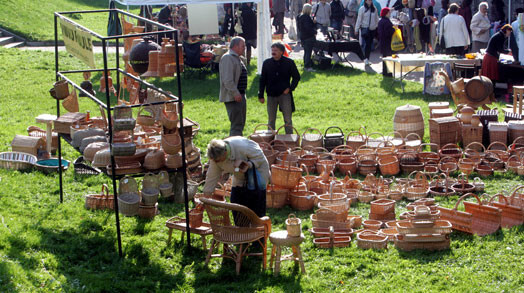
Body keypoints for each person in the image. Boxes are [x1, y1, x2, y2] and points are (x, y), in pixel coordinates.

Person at [203, 137, 270, 217]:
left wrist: (248, 164)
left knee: (255, 203)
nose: (217, 162)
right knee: (236, 200)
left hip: (258, 173)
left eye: (219, 160)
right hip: (239, 175)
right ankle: (241, 226)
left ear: (224, 153)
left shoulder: (243, 146)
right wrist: (206, 195)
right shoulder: (216, 158)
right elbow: (212, 176)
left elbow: (260, 158)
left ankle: (258, 226)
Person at [258, 43, 301, 134]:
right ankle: (270, 139)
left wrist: (290, 88)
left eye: (276, 50)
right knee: (271, 119)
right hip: (271, 95)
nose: (273, 52)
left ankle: (290, 140)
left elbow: (296, 77)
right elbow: (262, 80)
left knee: (288, 119)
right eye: (272, 50)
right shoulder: (266, 63)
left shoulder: (289, 62)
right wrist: (260, 95)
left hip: (284, 95)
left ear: (282, 52)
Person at [219, 37, 248, 137]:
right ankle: (235, 148)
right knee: (236, 125)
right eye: (242, 46)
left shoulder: (237, 57)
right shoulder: (228, 58)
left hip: (239, 95)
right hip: (233, 97)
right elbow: (227, 80)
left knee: (240, 124)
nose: (244, 48)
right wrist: (235, 93)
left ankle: (237, 146)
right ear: (235, 46)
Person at [355, 0, 379, 65]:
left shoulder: (374, 9)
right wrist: (356, 29)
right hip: (365, 29)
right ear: (365, 1)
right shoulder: (362, 9)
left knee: (369, 44)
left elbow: (377, 19)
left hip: (373, 29)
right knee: (367, 44)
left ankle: (367, 59)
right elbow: (359, 19)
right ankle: (366, 59)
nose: (369, 1)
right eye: (368, 0)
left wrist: (377, 26)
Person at [298, 3, 317, 72]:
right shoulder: (306, 17)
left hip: (303, 36)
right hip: (308, 37)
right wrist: (314, 30)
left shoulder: (300, 17)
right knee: (308, 52)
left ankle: (306, 64)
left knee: (306, 52)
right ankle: (307, 66)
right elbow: (308, 28)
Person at [377, 7, 395, 76]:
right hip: (387, 43)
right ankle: (389, 73)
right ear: (386, 13)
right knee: (389, 58)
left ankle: (384, 72)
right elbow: (388, 33)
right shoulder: (387, 22)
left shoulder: (381, 21)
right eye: (389, 12)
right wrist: (393, 29)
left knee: (384, 58)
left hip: (382, 42)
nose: (390, 14)